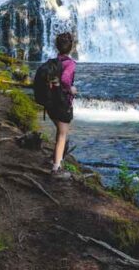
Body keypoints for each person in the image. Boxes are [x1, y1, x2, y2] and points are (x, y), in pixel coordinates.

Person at [49, 32, 77, 176]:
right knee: (62, 135)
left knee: (59, 132)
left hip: (50, 102)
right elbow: (66, 79)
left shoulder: (53, 61)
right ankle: (56, 167)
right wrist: (70, 89)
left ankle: (55, 159)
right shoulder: (70, 63)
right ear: (71, 47)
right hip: (62, 103)